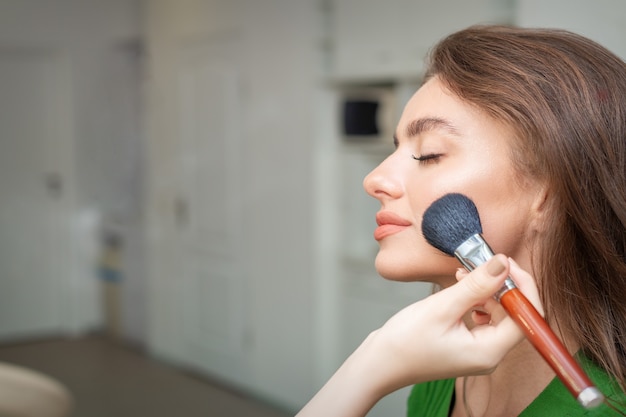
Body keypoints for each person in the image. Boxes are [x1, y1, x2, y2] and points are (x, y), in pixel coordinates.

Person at [297, 25, 626, 416]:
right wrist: (375, 361)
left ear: (548, 194)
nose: (374, 180)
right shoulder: (443, 363)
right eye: (396, 148)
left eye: (428, 154)